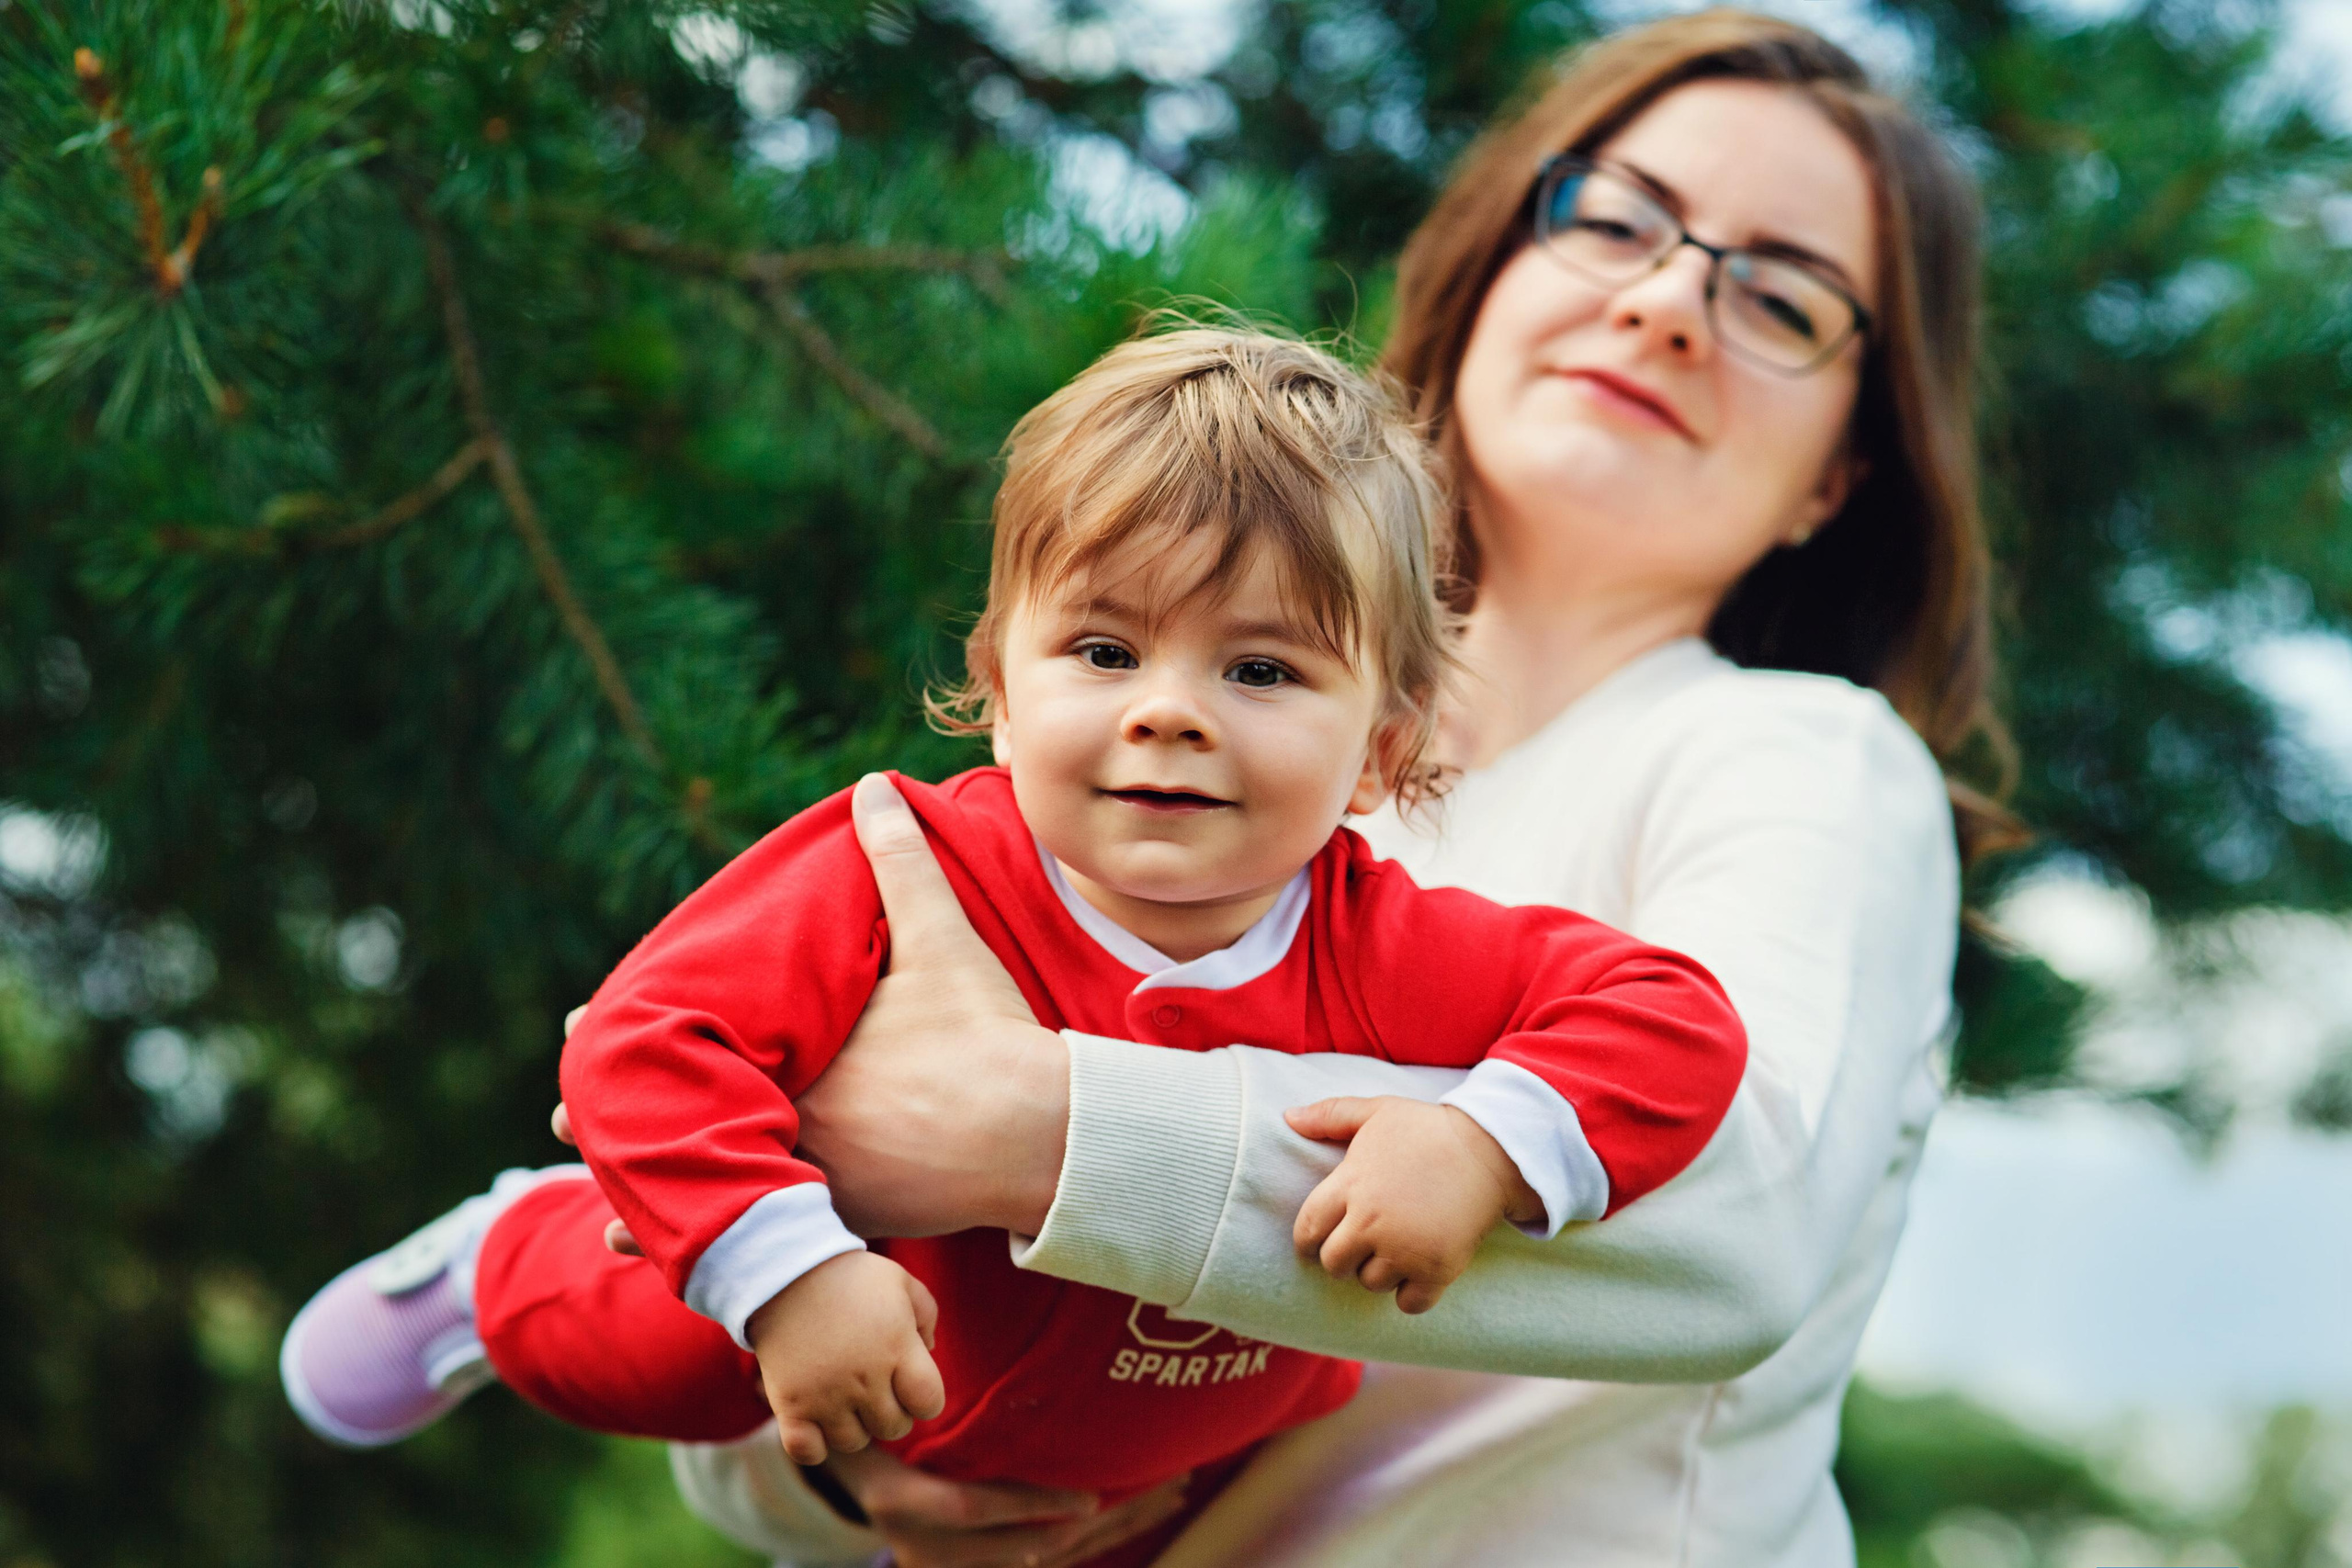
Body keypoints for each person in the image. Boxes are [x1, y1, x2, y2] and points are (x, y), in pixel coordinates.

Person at [647, 11, 2013, 1567]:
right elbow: (775, 1210)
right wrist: (828, 1471)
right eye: (1619, 220)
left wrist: (1044, 1127)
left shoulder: (1799, 757)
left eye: (1781, 295)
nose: (1665, 304)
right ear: (1490, 275)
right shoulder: (1203, 775)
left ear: (1843, 470)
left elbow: (1743, 1218)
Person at [277, 330, 1750, 1564]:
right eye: (1105, 652)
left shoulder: (1384, 942)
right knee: (643, 1352)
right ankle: (494, 1268)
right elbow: (645, 1043)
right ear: (996, 681)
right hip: (832, 1289)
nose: (1169, 710)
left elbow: (1668, 1017)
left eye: (1260, 667)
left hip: (1161, 1445)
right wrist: (788, 1277)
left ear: (1383, 750)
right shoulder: (904, 863)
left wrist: (1488, 1142)